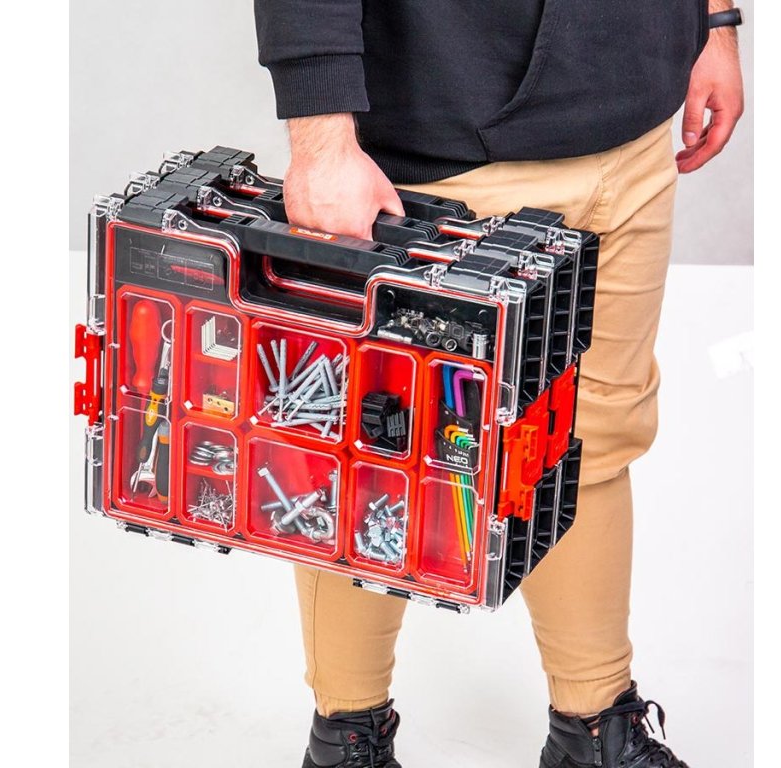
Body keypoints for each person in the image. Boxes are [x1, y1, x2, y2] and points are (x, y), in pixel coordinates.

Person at [253, 1, 745, 766]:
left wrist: (713, 20)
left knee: (590, 440)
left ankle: (594, 731)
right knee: (377, 457)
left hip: (639, 116)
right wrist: (320, 138)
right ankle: (347, 736)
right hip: (451, 139)